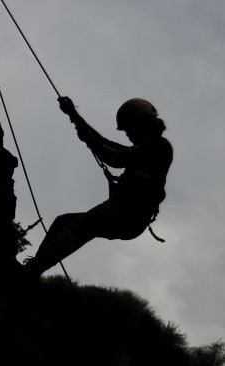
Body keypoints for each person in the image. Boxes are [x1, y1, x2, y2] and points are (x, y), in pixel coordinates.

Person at [22, 96, 173, 280]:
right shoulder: (148, 147)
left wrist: (80, 125)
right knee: (63, 222)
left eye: (129, 130)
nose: (128, 135)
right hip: (126, 215)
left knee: (78, 228)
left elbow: (112, 155)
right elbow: (107, 144)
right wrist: (74, 117)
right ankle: (34, 268)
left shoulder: (159, 147)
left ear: (140, 124)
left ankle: (32, 271)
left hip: (126, 214)